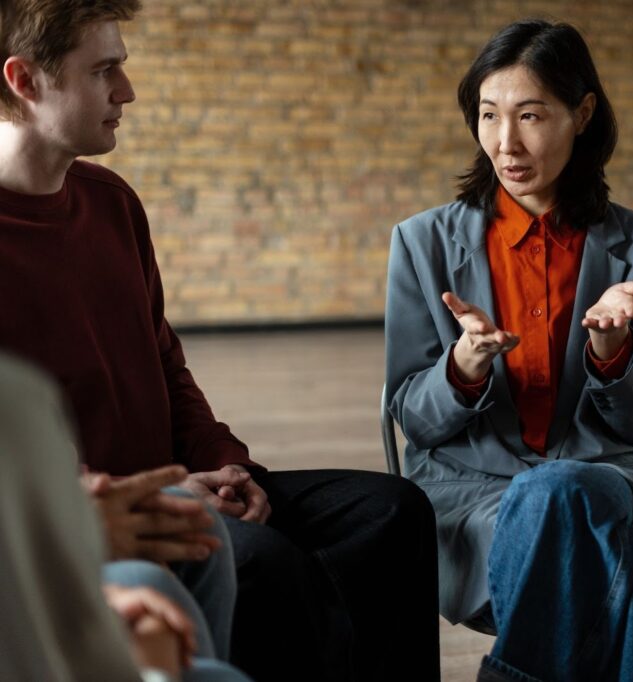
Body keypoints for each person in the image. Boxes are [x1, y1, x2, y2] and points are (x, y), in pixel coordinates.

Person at [0, 1, 440, 679]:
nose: (127, 91)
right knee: (263, 563)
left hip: (188, 484)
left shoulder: (112, 202)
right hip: (101, 515)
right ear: (25, 80)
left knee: (392, 512)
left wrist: (229, 466)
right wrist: (165, 493)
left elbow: (166, 364)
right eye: (103, 71)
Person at [386, 19, 633, 682]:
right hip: (470, 486)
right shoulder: (421, 243)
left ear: (582, 114)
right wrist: (463, 367)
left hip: (602, 474)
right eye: (489, 115)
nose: (505, 143)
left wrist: (613, 349)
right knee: (622, 568)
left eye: (530, 115)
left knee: (559, 492)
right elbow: (416, 421)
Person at [0, 350, 250, 682]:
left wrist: (225, 461)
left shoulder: (20, 394)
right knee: (147, 581)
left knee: (197, 522)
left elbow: (173, 374)